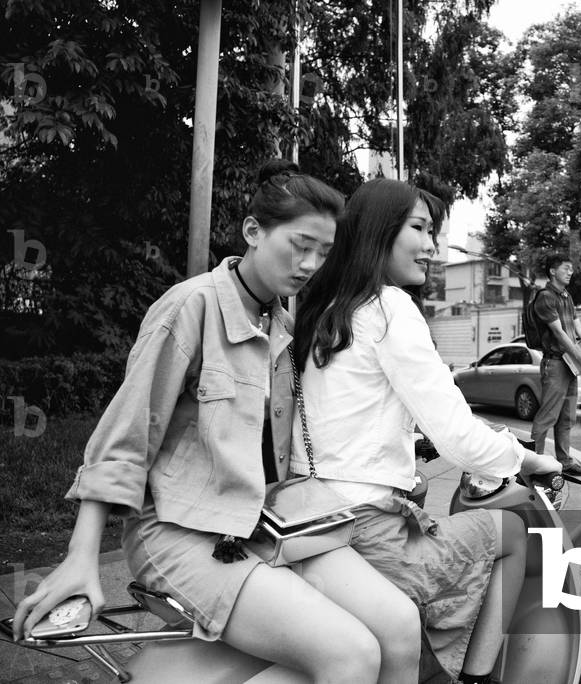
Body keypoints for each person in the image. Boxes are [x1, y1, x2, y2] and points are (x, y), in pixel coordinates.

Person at [12, 161, 421, 684]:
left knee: (400, 627)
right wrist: (82, 556)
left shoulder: (283, 325)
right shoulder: (191, 307)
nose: (310, 265)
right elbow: (124, 440)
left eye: (323, 253)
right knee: (351, 655)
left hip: (265, 523)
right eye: (300, 246)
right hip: (180, 531)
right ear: (253, 231)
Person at [292, 178, 561, 684]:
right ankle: (476, 678)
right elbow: (457, 433)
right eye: (419, 228)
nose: (432, 246)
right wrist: (530, 459)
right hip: (367, 527)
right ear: (380, 231)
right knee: (512, 534)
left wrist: (410, 442)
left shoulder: (324, 311)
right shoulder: (389, 308)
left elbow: (347, 415)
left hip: (311, 516)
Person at [529, 253, 581, 476]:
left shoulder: (566, 296)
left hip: (569, 364)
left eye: (571, 268)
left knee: (567, 417)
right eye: (566, 268)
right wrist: (580, 356)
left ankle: (565, 461)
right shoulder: (545, 297)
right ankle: (534, 463)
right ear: (552, 271)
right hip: (555, 364)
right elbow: (559, 333)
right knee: (547, 416)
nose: (571, 272)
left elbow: (579, 327)